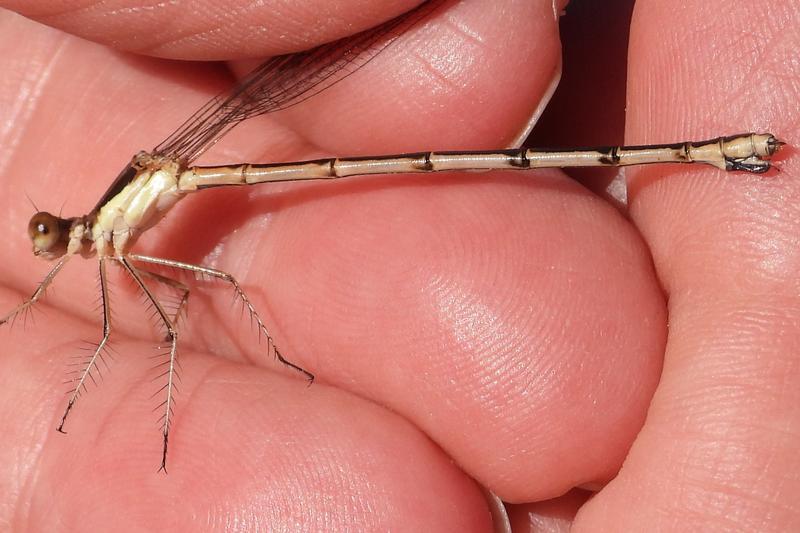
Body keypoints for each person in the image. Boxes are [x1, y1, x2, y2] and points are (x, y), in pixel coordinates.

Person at [0, 0, 796, 530]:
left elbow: (138, 325)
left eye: (53, 234)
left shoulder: (112, 228)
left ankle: (718, 152)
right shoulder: (101, 238)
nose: (54, 244)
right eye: (49, 236)